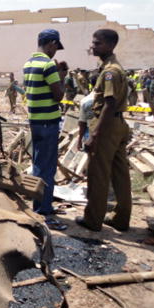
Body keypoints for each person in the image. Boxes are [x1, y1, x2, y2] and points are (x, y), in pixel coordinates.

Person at [76, 29, 131, 232]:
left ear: (109, 45)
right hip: (118, 125)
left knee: (98, 174)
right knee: (120, 175)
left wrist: (95, 135)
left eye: (97, 43)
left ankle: (93, 219)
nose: (93, 46)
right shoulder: (114, 68)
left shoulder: (110, 72)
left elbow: (109, 103)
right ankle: (121, 219)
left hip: (106, 125)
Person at [23, 29, 66, 229]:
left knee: (39, 164)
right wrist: (62, 76)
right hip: (49, 122)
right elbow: (59, 96)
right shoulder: (48, 65)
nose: (56, 52)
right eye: (56, 47)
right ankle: (43, 211)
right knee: (47, 168)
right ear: (51, 43)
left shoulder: (28, 64)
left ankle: (41, 205)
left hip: (35, 121)